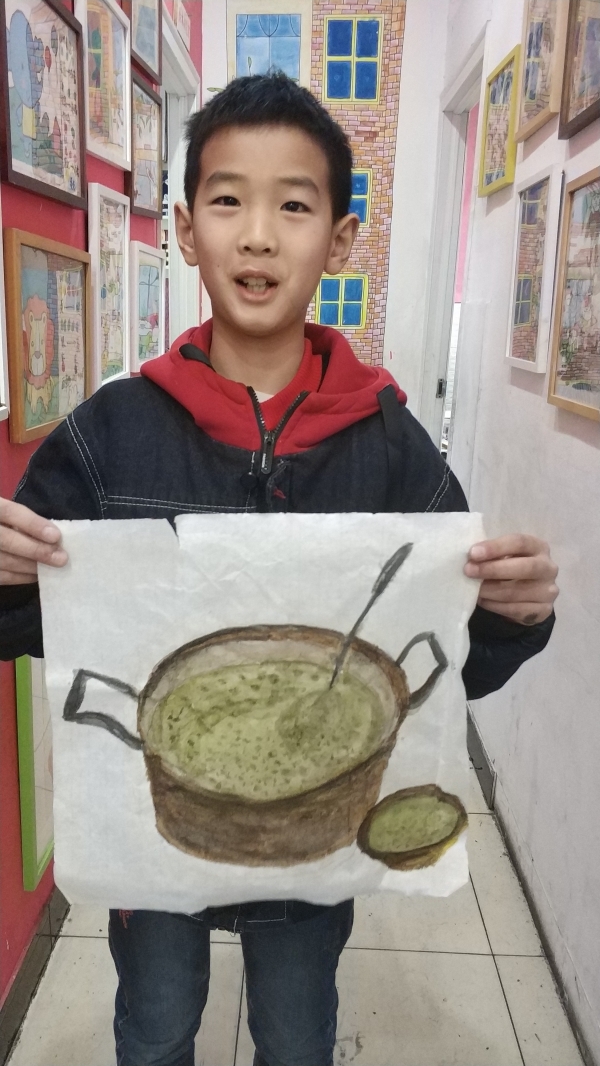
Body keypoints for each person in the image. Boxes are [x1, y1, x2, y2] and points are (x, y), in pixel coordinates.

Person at [0, 74, 558, 1066]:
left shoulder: (389, 444)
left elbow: (445, 661)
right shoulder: (109, 435)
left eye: (293, 206)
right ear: (185, 230)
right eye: (228, 200)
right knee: (156, 1026)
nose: (258, 235)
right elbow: (37, 622)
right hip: (156, 839)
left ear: (339, 240)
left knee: (298, 1036)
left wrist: (512, 614)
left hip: (317, 844)